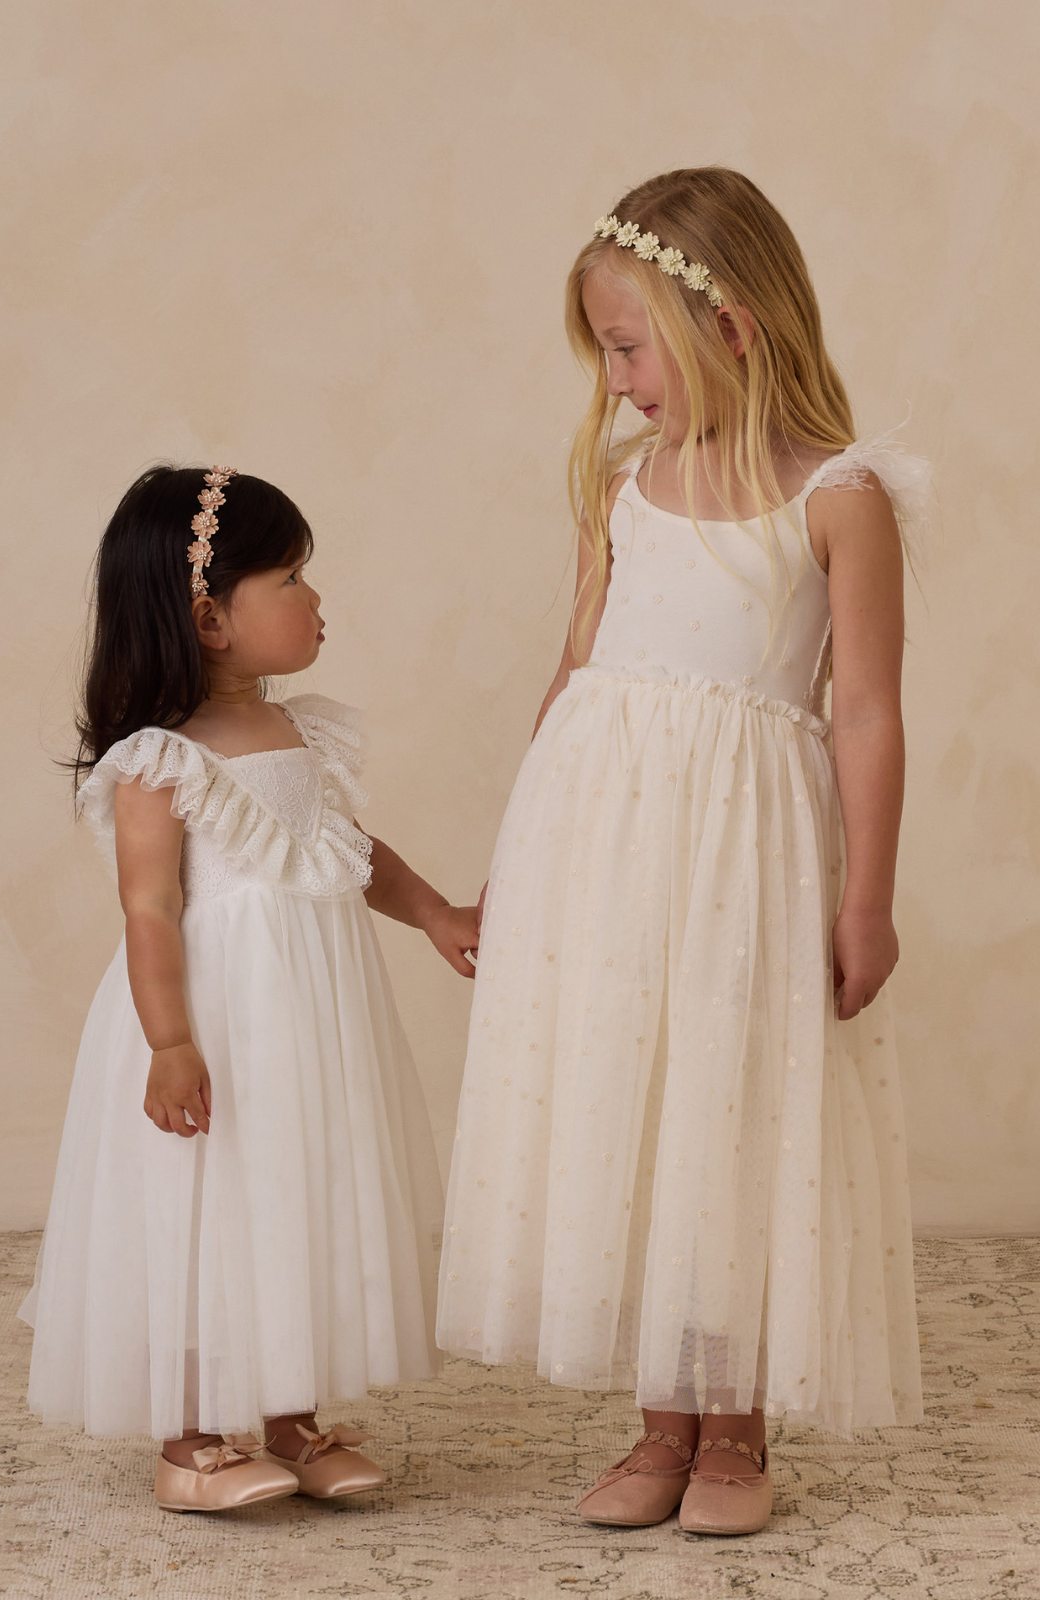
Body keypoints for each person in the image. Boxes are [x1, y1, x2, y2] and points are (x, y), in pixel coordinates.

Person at [436, 167, 927, 1536]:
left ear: (735, 328)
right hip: (600, 843)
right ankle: (659, 1423)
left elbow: (871, 711)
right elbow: (574, 670)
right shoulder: (621, 484)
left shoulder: (841, 495)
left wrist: (869, 898)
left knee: (729, 1105)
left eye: (631, 343)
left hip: (747, 862)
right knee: (631, 1102)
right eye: (604, 349)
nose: (618, 377)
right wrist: (512, 871)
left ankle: (735, 1425)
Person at [20, 464, 478, 1513]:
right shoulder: (158, 761)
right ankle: (190, 1433)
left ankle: (288, 1416)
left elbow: (351, 852)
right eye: (293, 578)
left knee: (297, 1188)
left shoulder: (299, 733)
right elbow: (148, 909)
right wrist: (169, 1038)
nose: (318, 601)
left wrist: (440, 914)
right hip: (217, 1018)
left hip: (310, 1023)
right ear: (209, 618)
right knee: (207, 1201)